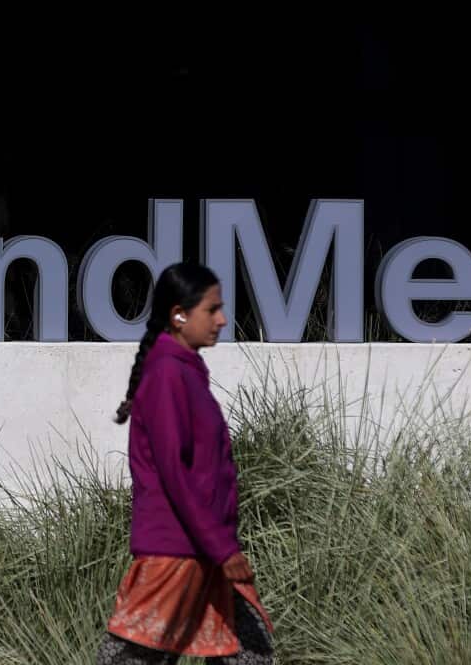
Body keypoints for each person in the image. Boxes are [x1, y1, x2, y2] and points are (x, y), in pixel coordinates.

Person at [96, 262, 275, 665]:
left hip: (202, 551)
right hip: (175, 555)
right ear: (179, 315)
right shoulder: (166, 376)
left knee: (251, 653)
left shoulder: (186, 373)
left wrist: (219, 546)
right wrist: (223, 548)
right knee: (132, 658)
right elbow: (175, 475)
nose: (222, 319)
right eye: (212, 309)